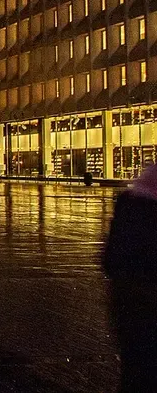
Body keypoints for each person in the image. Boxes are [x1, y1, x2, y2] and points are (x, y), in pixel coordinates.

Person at [103, 162, 157, 391]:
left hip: (128, 304)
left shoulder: (129, 205)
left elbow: (110, 260)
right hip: (144, 303)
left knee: (135, 370)